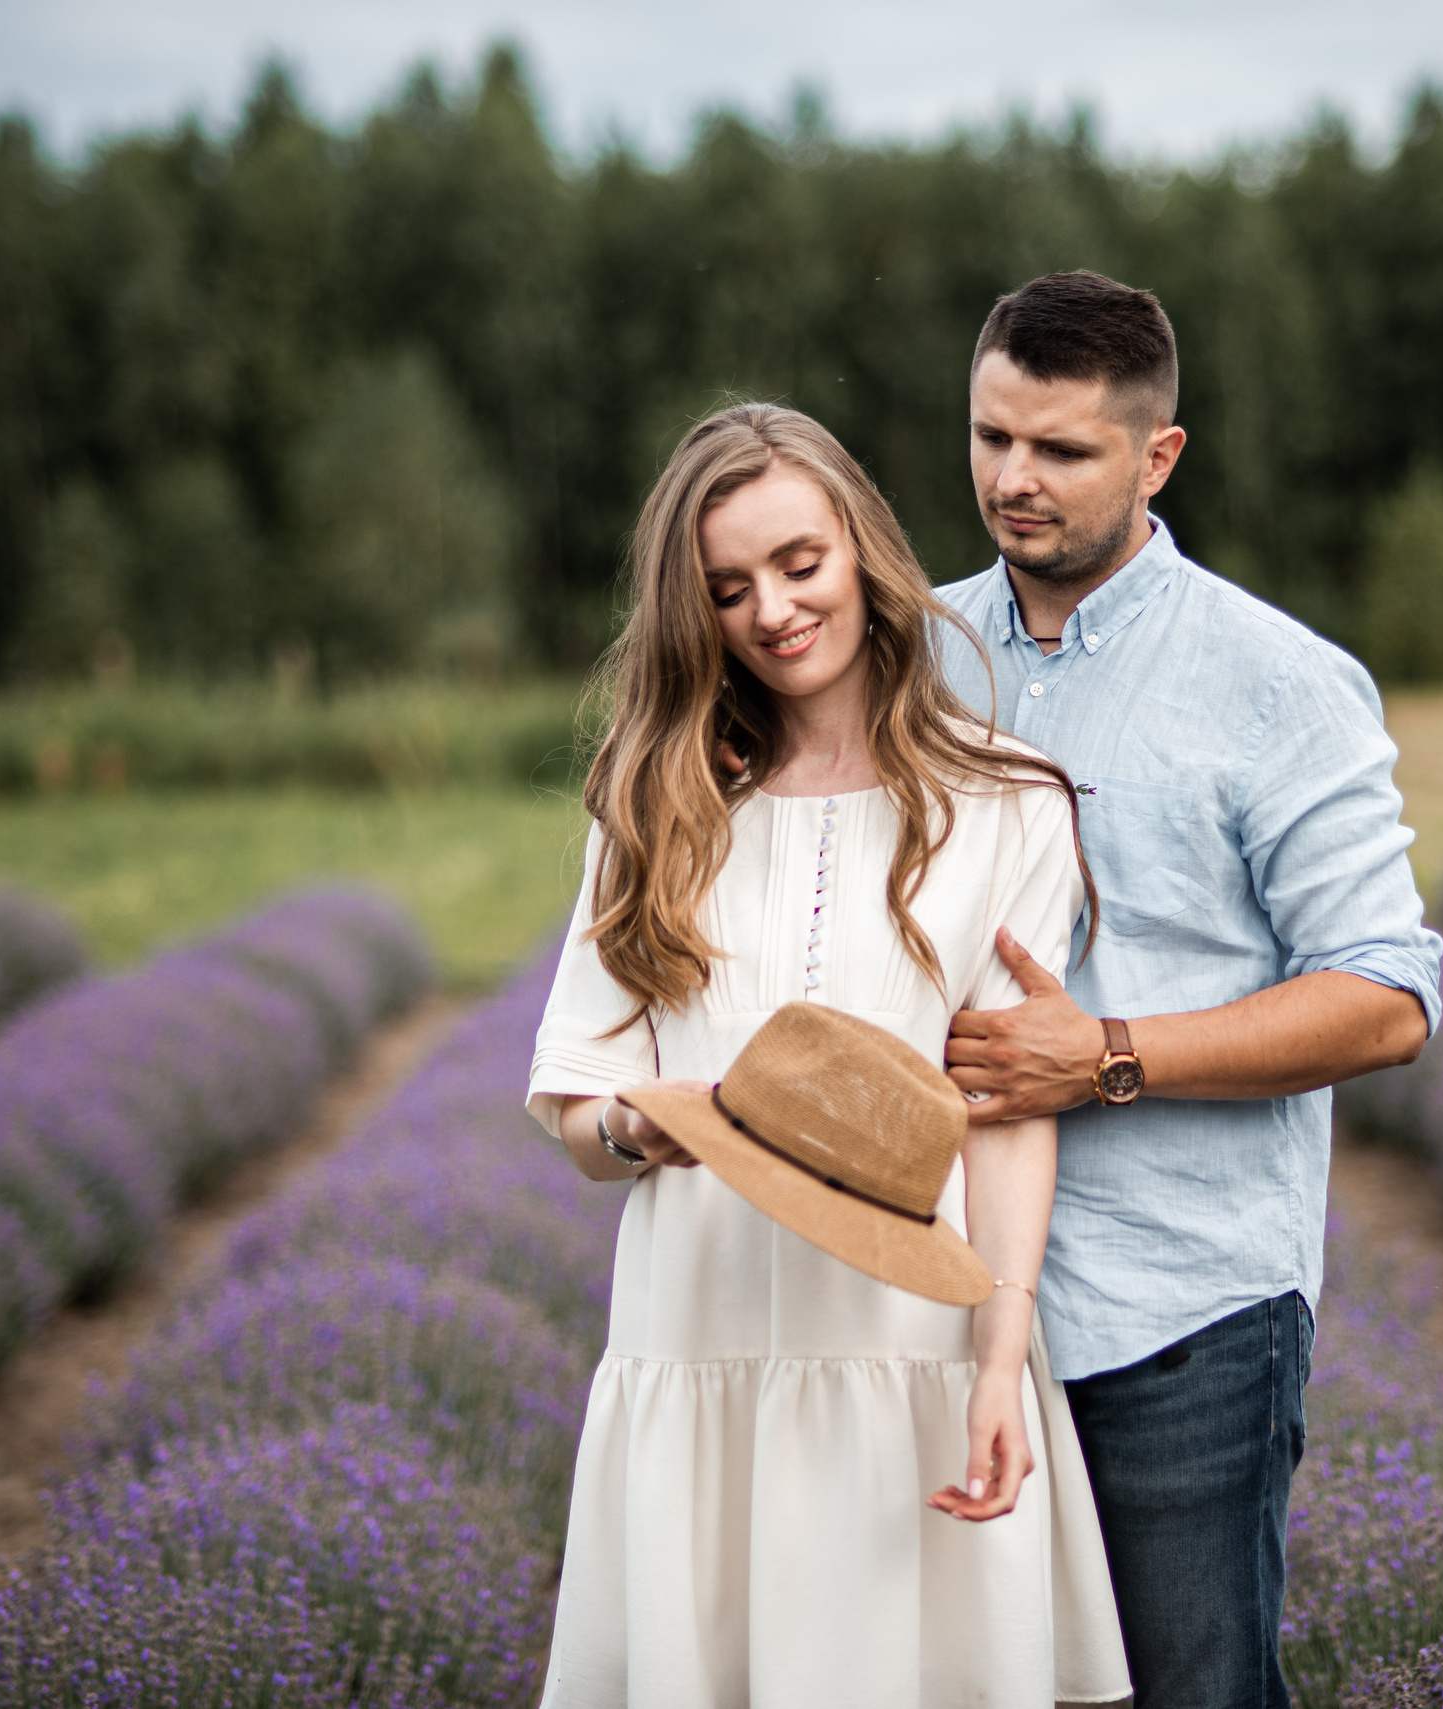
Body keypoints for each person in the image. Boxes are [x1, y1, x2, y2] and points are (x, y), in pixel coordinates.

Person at [525, 402, 1131, 1707]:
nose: (774, 610)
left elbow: (1008, 1108)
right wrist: (649, 1124)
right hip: (697, 1341)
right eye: (729, 587)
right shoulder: (654, 804)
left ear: (862, 546)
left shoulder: (1007, 801)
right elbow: (579, 1109)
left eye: (801, 562)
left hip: (911, 1346)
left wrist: (997, 1358)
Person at [937, 270, 1443, 1707]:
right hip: (929, 1299)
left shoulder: (1277, 680)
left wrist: (1102, 1053)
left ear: (1159, 455)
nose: (1010, 479)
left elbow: (1387, 995)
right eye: (990, 437)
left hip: (1182, 1310)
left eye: (1060, 450)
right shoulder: (909, 654)